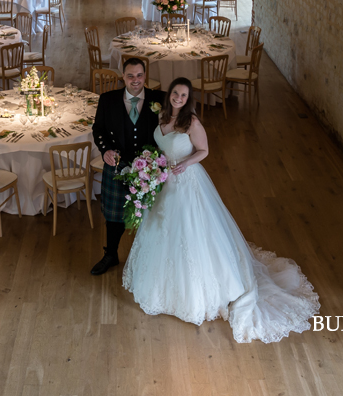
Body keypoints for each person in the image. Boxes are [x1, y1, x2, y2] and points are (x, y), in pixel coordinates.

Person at [122, 78, 320, 343]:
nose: (178, 98)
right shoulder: (162, 115)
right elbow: (161, 147)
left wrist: (185, 163)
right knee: (161, 229)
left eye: (183, 95)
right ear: (169, 94)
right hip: (165, 180)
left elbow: (204, 150)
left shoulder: (191, 122)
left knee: (190, 231)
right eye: (175, 93)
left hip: (186, 180)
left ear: (188, 98)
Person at [90, 59, 165, 275]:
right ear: (123, 76)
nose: (135, 80)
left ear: (145, 75)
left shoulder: (159, 99)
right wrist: (105, 150)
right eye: (130, 76)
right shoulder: (108, 100)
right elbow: (98, 129)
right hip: (118, 164)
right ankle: (111, 254)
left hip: (149, 167)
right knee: (114, 214)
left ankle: (149, 257)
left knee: (150, 213)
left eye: (139, 75)